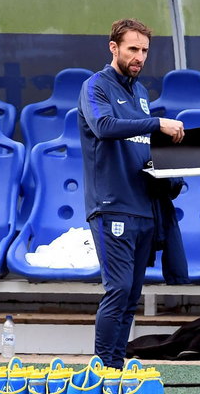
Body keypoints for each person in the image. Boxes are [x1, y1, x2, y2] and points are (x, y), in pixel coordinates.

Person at [78, 18, 186, 369]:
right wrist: (158, 124)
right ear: (114, 48)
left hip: (143, 208)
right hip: (111, 207)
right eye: (132, 49)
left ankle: (116, 368)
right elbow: (104, 127)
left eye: (144, 51)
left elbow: (141, 148)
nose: (139, 57)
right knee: (119, 290)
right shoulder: (95, 86)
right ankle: (102, 371)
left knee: (130, 297)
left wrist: (174, 167)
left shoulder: (141, 94)